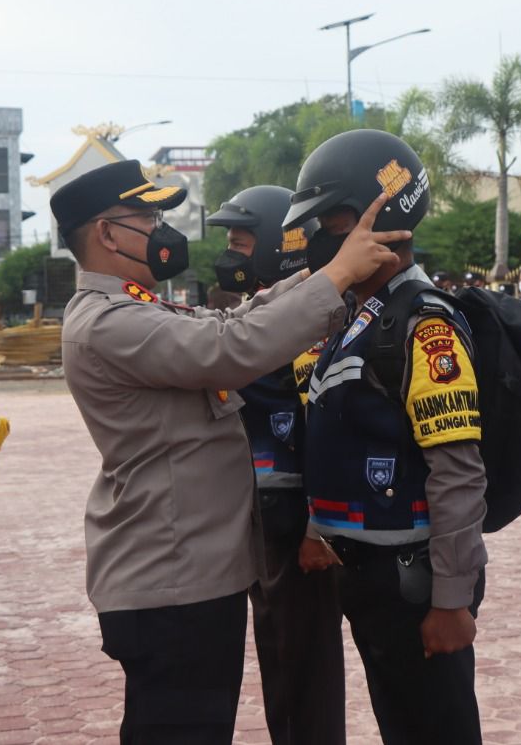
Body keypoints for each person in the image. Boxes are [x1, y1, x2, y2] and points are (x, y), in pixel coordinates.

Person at [51, 159, 405, 744]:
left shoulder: (138, 308)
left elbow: (230, 319)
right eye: (147, 217)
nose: (163, 229)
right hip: (169, 581)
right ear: (107, 233)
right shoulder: (109, 322)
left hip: (186, 571)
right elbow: (229, 347)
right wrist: (338, 275)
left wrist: (317, 273)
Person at [284, 129, 489, 745]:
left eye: (335, 220)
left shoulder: (424, 325)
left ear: (385, 215)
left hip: (417, 581)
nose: (322, 237)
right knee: (401, 724)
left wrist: (451, 600)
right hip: (369, 575)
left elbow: (458, 471)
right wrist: (319, 527)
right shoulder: (355, 317)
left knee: (438, 729)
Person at [205, 185, 346, 745]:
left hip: (295, 522)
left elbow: (327, 431)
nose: (230, 256)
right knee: (277, 663)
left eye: (241, 244)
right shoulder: (255, 315)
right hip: (256, 517)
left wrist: (318, 525)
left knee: (303, 670)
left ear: (275, 245)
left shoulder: (309, 322)